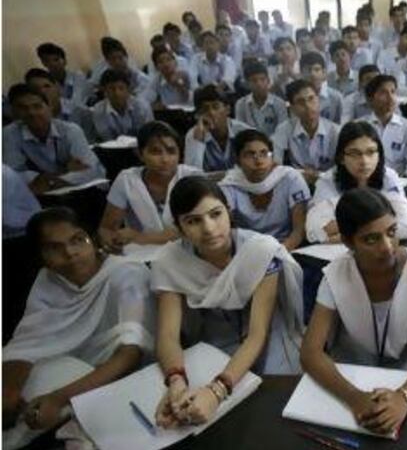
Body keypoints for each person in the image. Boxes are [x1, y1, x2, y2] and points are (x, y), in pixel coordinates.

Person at [151, 176, 305, 427]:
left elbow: (258, 334)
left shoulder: (260, 251)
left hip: (268, 343)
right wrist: (177, 381)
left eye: (215, 214)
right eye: (193, 221)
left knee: (269, 416)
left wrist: (217, 391)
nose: (209, 228)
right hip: (211, 344)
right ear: (178, 228)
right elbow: (168, 335)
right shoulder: (169, 262)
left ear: (229, 212)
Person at [300, 188, 407, 434]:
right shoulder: (336, 274)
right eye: (371, 239)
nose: (387, 247)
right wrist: (354, 397)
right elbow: (310, 352)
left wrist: (405, 396)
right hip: (350, 376)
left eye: (391, 233)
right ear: (348, 242)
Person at [3, 207, 154, 433]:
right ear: (41, 258)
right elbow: (28, 343)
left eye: (78, 240)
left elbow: (130, 354)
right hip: (65, 373)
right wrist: (10, 392)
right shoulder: (48, 280)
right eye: (54, 248)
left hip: (116, 377)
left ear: (93, 240)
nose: (70, 252)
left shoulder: (128, 275)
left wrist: (58, 399)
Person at [305, 121, 407, 244]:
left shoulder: (388, 177)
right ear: (341, 158)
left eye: (371, 152)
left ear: (379, 155)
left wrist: (349, 233)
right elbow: (314, 230)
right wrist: (383, 226)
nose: (364, 161)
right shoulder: (328, 181)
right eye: (355, 153)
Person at [98, 121, 201, 252]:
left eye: (171, 151)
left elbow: (192, 229)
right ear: (140, 154)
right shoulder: (127, 179)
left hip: (187, 251)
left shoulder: (192, 177)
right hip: (140, 257)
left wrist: (140, 237)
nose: (165, 159)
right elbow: (106, 228)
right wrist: (111, 243)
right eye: (155, 152)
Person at [3, 84, 105, 195]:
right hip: (39, 197)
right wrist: (64, 171)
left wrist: (47, 180)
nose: (31, 113)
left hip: (79, 193)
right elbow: (13, 176)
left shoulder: (70, 130)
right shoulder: (9, 134)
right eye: (23, 108)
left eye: (37, 106)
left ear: (49, 107)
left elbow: (91, 171)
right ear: (13, 112)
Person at [219, 129, 309, 250]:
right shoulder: (229, 185)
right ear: (238, 160)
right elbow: (224, 230)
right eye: (250, 154)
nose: (259, 161)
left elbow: (299, 230)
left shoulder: (289, 177)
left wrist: (278, 254)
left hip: (289, 247)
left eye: (264, 153)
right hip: (246, 250)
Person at [271, 79, 341, 184]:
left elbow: (342, 167)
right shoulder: (283, 129)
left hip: (329, 182)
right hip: (295, 181)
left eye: (311, 99)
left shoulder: (336, 131)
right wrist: (301, 174)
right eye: (300, 102)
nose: (308, 106)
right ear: (292, 108)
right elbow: (277, 165)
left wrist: (320, 176)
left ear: (319, 100)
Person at [361, 75, 407, 182]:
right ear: (370, 99)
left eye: (393, 92)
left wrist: (405, 179)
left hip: (400, 183)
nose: (390, 97)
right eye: (383, 92)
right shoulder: (361, 126)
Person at [184, 85, 252, 172]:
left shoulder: (244, 132)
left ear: (227, 109)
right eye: (205, 109)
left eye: (215, 107)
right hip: (207, 185)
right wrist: (198, 142)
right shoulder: (194, 134)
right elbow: (190, 176)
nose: (211, 112)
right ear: (199, 114)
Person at [88, 69, 153, 143]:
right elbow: (106, 138)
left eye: (121, 88)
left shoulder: (142, 107)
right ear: (104, 91)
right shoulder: (98, 110)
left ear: (128, 90)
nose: (117, 93)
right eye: (112, 89)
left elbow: (148, 135)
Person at [234, 61, 288, 138]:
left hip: (275, 146)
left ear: (268, 81)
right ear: (247, 84)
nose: (259, 84)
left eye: (262, 79)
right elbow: (240, 131)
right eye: (254, 80)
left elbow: (282, 132)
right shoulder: (240, 104)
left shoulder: (279, 103)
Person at [36, 42, 89, 107]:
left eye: (56, 59)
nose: (53, 64)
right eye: (47, 61)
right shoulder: (46, 82)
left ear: (65, 61)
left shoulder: (78, 76)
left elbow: (78, 101)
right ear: (43, 63)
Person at [300, 51, 344, 123]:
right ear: (301, 73)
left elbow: (341, 123)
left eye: (317, 70)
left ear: (324, 73)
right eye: (308, 70)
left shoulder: (336, 97)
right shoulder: (298, 98)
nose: (312, 74)